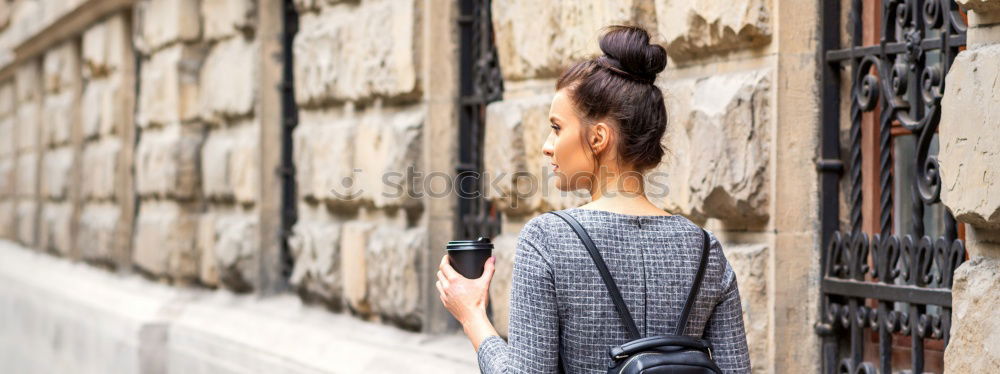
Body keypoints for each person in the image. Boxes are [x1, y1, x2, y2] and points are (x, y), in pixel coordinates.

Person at [435, 25, 751, 373]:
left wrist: (472, 317)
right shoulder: (705, 249)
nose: (547, 145)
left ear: (599, 137)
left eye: (556, 127)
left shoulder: (547, 240)